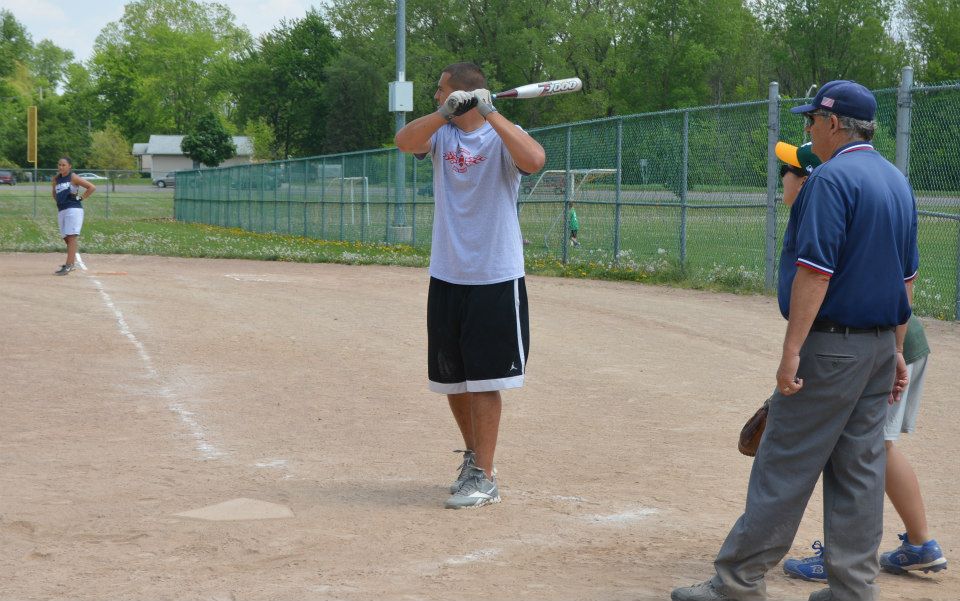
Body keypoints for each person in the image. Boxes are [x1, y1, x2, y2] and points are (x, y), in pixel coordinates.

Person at [671, 79, 919, 601]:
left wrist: (790, 353)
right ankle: (853, 590)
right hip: (877, 350)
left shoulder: (831, 180)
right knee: (860, 473)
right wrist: (896, 351)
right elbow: (907, 279)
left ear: (834, 124)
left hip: (830, 349)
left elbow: (815, 272)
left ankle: (737, 582)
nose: (807, 129)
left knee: (784, 462)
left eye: (812, 120)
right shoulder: (897, 181)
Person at [394, 63, 546, 509]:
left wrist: (490, 112)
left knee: (484, 380)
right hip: (447, 273)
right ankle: (476, 461)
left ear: (462, 91)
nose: (435, 96)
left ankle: (485, 475)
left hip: (494, 275)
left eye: (440, 91)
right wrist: (445, 114)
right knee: (454, 381)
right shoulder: (441, 133)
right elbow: (404, 142)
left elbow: (535, 161)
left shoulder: (502, 133)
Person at [783, 313, 946, 581]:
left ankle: (841, 559)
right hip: (897, 339)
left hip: (880, 347)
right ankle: (920, 544)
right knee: (879, 446)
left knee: (855, 448)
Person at [51, 157, 96, 275]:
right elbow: (54, 193)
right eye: (59, 164)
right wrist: (59, 200)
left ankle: (69, 265)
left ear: (69, 166)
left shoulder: (73, 177)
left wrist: (81, 197)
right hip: (62, 210)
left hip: (73, 209)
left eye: (64, 165)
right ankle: (70, 262)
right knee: (66, 237)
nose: (61, 167)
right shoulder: (56, 179)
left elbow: (91, 187)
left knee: (71, 237)